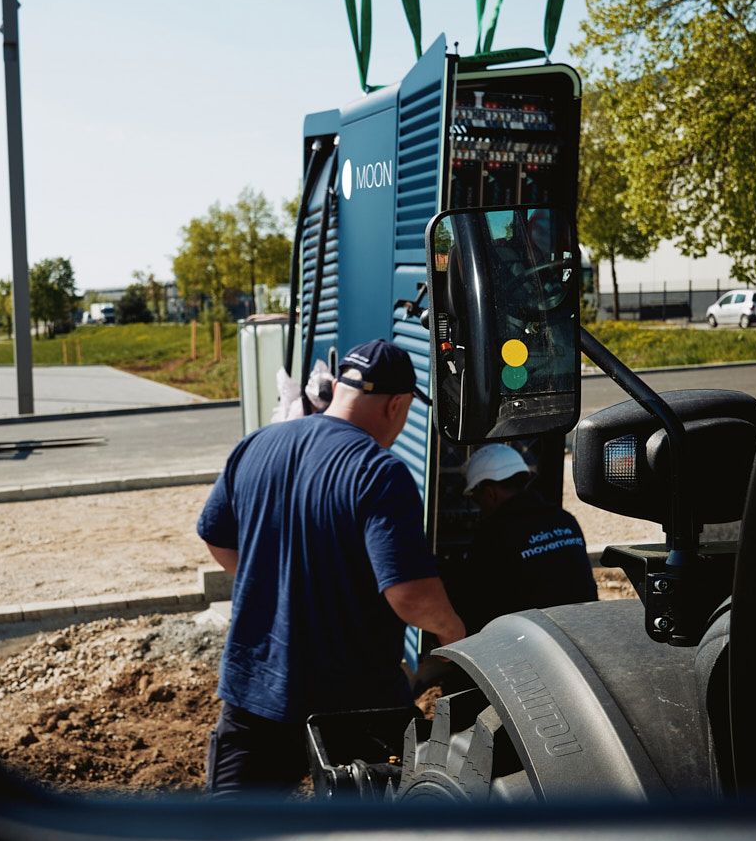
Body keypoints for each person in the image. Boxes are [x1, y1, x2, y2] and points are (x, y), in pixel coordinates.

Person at [196, 338, 466, 797]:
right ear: (397, 405)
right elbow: (410, 595)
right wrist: (455, 635)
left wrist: (273, 585)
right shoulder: (378, 471)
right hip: (353, 702)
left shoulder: (257, 444)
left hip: (255, 685)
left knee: (234, 838)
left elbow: (215, 536)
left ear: (339, 386)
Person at [444, 443, 597, 635]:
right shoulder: (565, 520)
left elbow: (477, 604)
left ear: (490, 493)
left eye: (477, 498)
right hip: (584, 632)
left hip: (531, 644)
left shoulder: (494, 535)